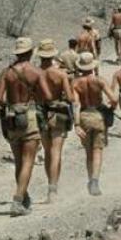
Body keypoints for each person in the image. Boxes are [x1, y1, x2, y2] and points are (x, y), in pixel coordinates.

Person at [0, 37, 52, 215]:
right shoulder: (36, 72)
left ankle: (24, 196)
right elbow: (47, 96)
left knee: (19, 160)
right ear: (31, 52)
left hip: (12, 116)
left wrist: (12, 104)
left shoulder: (7, 72)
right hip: (29, 115)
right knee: (28, 160)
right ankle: (18, 200)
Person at [69, 52, 117, 196]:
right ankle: (95, 181)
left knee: (88, 152)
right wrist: (111, 108)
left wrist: (77, 125)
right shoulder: (99, 81)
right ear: (92, 66)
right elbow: (114, 99)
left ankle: (90, 179)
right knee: (98, 150)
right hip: (98, 116)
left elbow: (76, 105)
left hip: (84, 116)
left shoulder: (75, 83)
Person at [36, 39, 72, 203]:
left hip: (40, 113)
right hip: (57, 114)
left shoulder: (35, 74)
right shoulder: (60, 74)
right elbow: (70, 97)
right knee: (56, 152)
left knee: (47, 151)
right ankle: (53, 189)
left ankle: (50, 186)